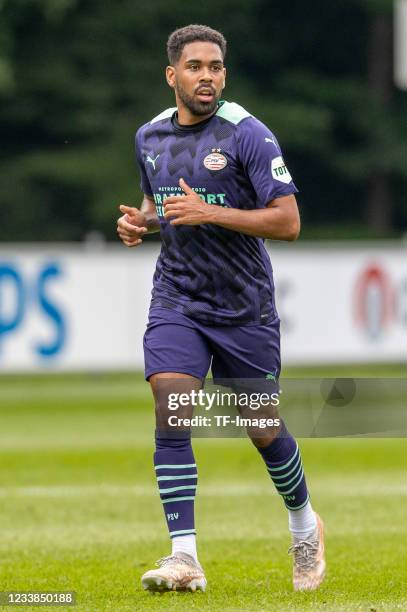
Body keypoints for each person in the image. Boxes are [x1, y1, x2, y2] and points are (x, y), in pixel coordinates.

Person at [117, 24, 325, 594]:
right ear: (172, 75)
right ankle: (184, 555)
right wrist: (143, 222)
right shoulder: (150, 136)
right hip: (177, 296)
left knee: (260, 425)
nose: (206, 76)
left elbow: (287, 222)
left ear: (223, 75)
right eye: (195, 67)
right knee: (171, 397)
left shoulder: (248, 135)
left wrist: (212, 214)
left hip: (243, 306)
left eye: (215, 67)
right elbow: (160, 202)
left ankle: (305, 525)